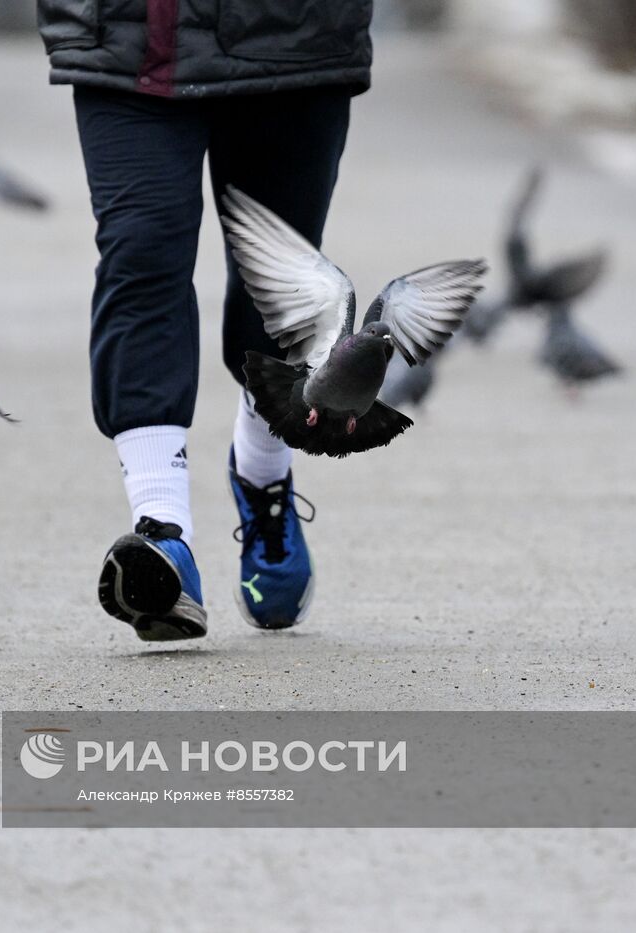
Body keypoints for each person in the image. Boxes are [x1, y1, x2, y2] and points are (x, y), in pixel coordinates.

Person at [38, 1, 374, 641]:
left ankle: (263, 471)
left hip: (294, 37)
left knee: (280, 277)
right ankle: (165, 535)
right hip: (127, 32)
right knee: (140, 253)